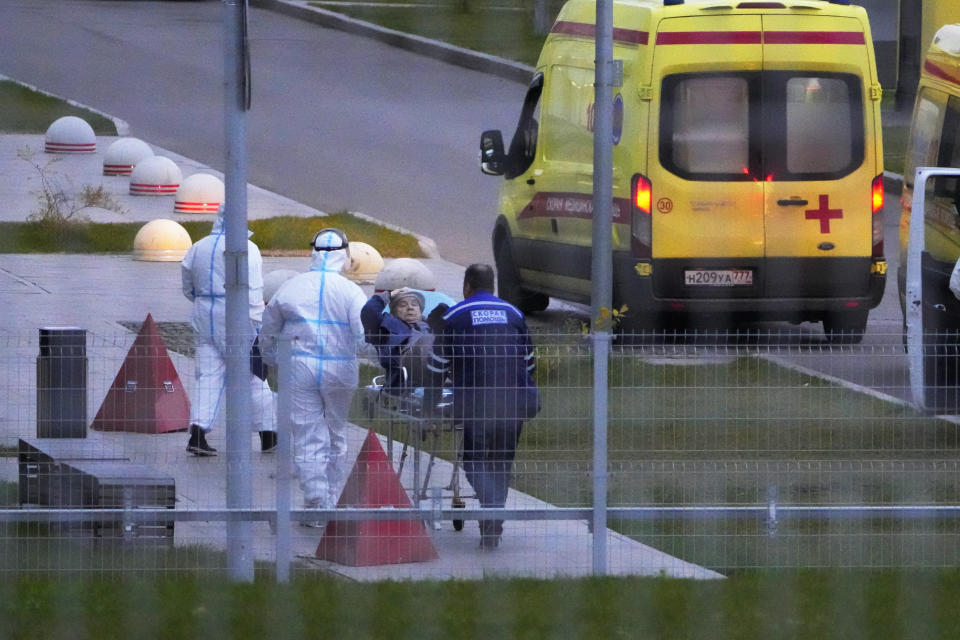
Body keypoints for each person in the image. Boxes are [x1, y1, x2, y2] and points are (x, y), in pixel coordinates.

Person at [426, 263, 539, 549]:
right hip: (514, 402)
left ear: (467, 287)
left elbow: (436, 369)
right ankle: (492, 524)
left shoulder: (455, 316)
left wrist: (429, 407)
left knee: (474, 460)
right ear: (493, 286)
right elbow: (530, 364)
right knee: (501, 463)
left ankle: (491, 511)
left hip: (477, 404)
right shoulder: (514, 314)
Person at [259, 228, 367, 525]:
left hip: (300, 365)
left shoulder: (292, 287)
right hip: (341, 367)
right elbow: (364, 334)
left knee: (307, 435)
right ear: (345, 255)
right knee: (335, 434)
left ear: (313, 252)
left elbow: (268, 329)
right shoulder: (351, 292)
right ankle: (328, 498)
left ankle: (317, 501)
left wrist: (270, 358)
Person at [180, 206, 277, 456]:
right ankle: (268, 434)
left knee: (207, 377)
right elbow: (254, 289)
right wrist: (258, 324)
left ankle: (198, 433)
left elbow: (187, 286)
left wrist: (204, 301)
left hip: (204, 315)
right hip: (238, 315)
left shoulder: (198, 247)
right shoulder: (247, 249)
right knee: (254, 375)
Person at [361, 287, 433, 390]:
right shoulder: (386, 328)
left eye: (414, 304)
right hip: (402, 386)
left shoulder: (432, 326)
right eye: (403, 305)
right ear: (394, 312)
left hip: (437, 379)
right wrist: (388, 295)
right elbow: (369, 311)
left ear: (421, 311)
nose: (410, 308)